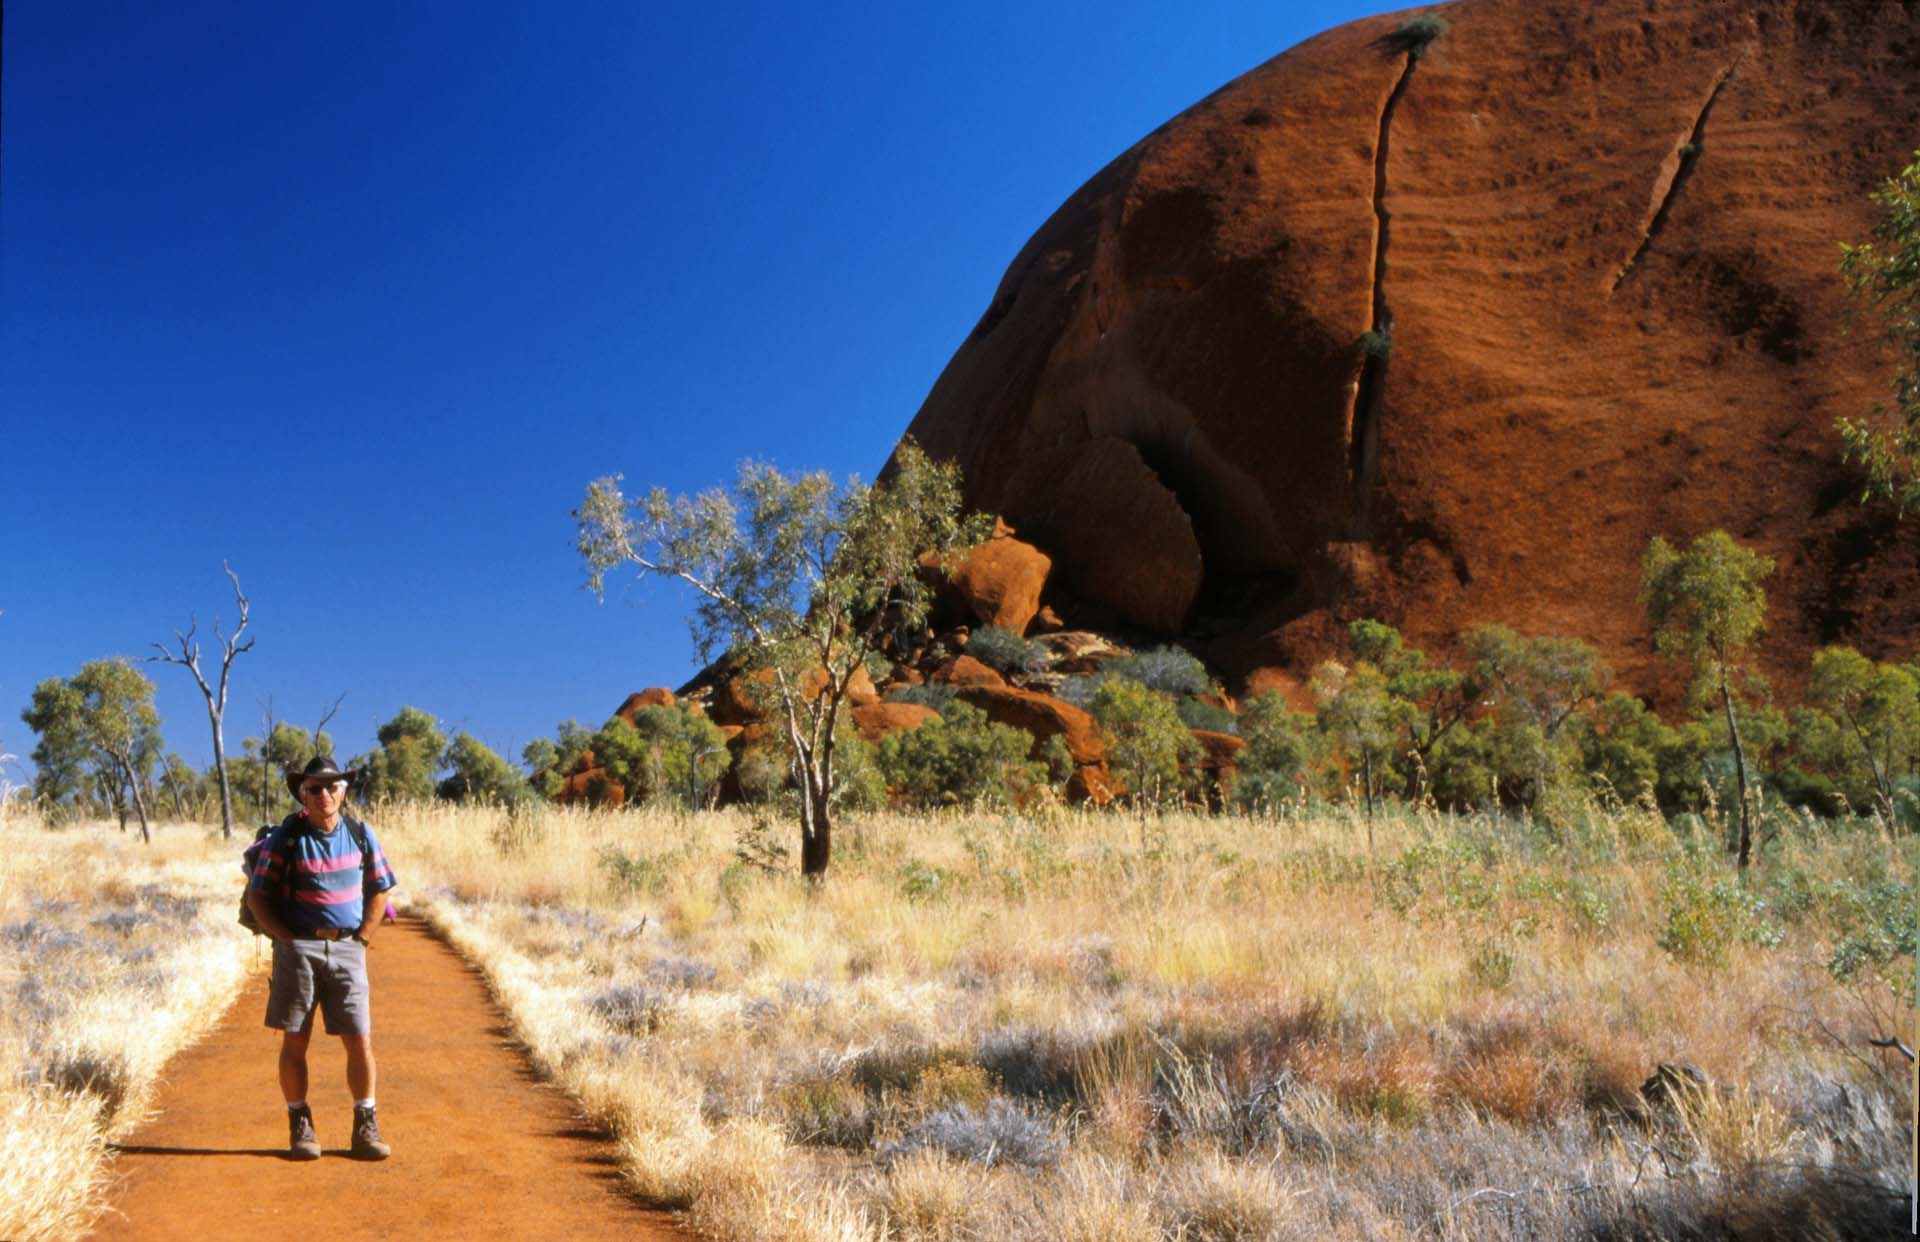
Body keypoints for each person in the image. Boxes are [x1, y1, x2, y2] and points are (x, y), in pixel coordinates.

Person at [244, 754, 399, 1161]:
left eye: (332, 787)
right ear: (303, 793)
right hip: (300, 949)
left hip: (349, 948)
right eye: (314, 788)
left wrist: (362, 938)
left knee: (359, 1039)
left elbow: (381, 887)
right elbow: (258, 896)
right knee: (296, 1038)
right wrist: (287, 940)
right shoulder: (287, 838)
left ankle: (365, 1126)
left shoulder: (361, 834)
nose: (324, 794)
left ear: (343, 791)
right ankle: (300, 1124)